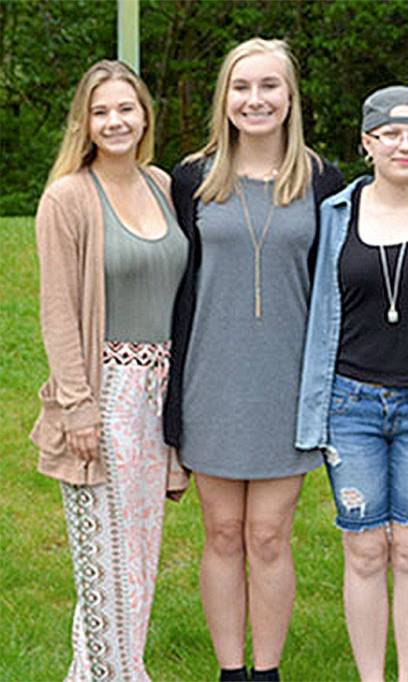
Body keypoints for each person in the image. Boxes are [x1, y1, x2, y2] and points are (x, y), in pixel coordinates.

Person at [163, 38, 343, 682]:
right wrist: (170, 411)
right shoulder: (190, 177)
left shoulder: (324, 182)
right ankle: (230, 671)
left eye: (269, 86)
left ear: (291, 97)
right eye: (242, 87)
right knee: (221, 533)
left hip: (287, 386)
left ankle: (266, 672)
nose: (255, 99)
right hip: (212, 381)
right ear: (225, 97)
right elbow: (175, 294)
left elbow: (337, 292)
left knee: (268, 536)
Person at [294, 85, 408, 682]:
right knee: (365, 548)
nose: (404, 144)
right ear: (368, 143)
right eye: (390, 134)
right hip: (351, 402)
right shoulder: (333, 215)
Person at [31, 59, 189, 682]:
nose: (115, 120)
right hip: (105, 389)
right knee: (105, 562)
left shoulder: (160, 184)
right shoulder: (68, 197)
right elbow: (57, 309)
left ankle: (98, 673)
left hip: (159, 392)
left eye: (126, 107)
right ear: (84, 122)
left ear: (144, 115)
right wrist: (77, 405)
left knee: (140, 559)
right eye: (101, 111)